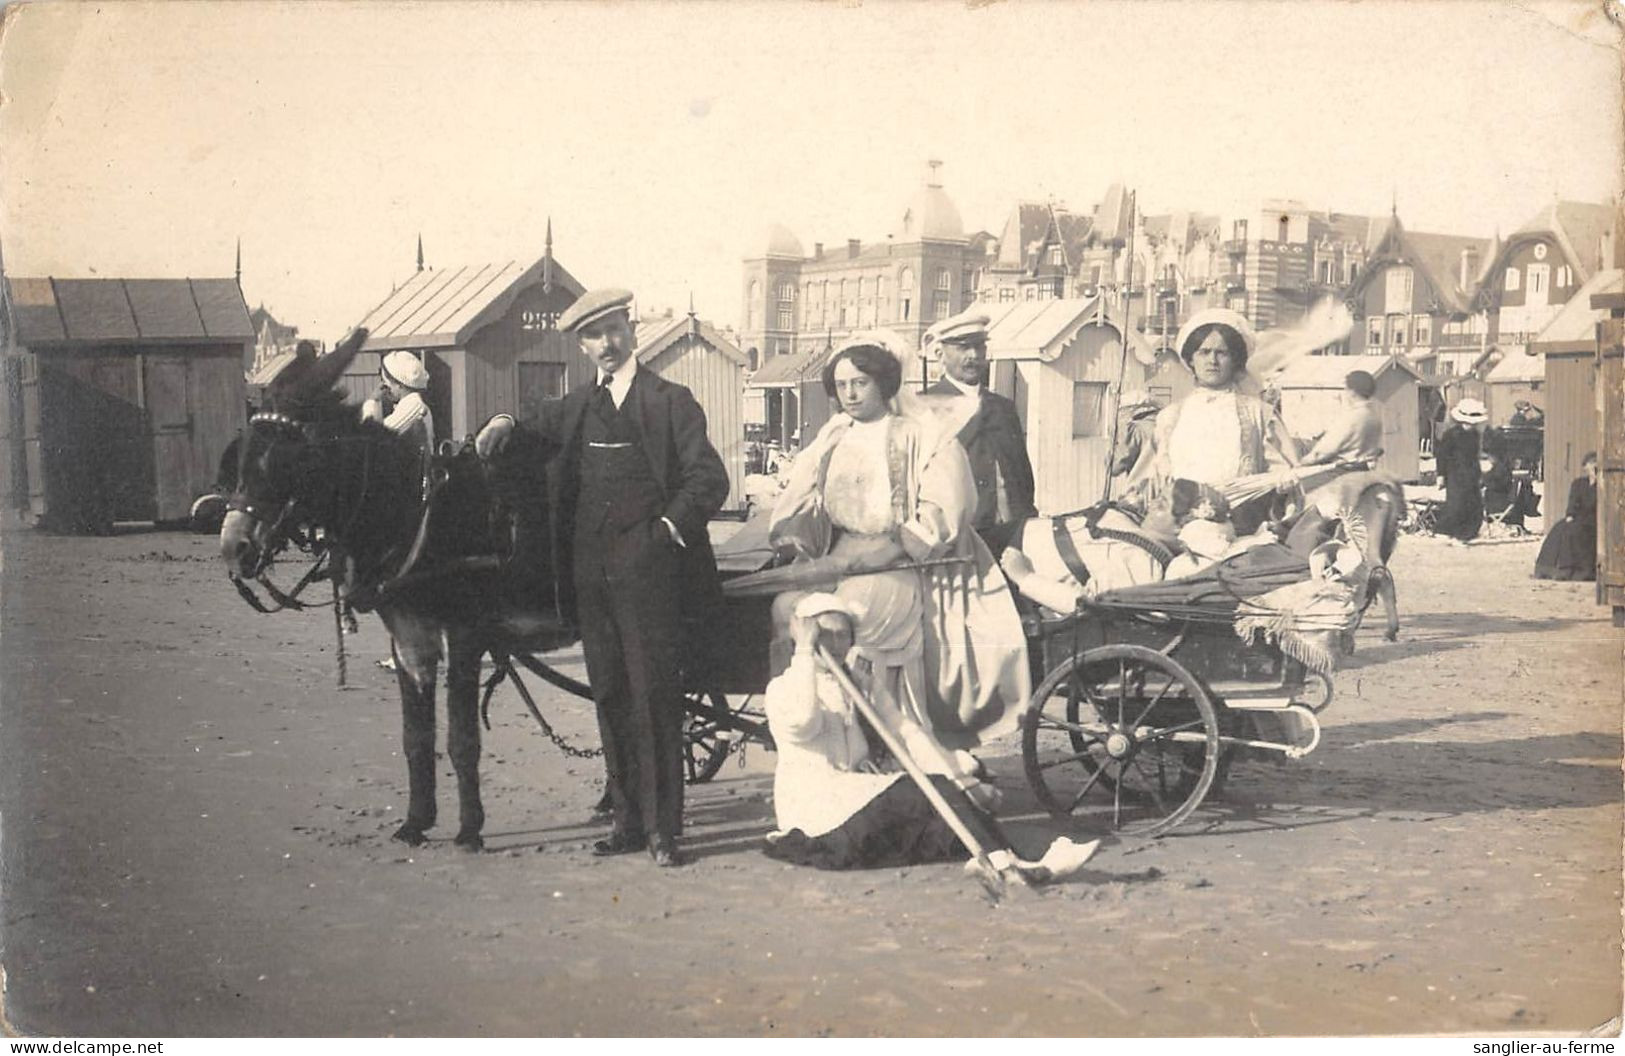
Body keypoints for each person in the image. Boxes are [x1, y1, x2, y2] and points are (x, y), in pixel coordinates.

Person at [474, 288, 729, 867]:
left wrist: (664, 533)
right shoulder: (574, 408)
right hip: (590, 576)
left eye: (613, 330)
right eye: (593, 336)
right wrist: (502, 418)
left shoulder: (670, 401)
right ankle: (627, 822)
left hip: (652, 575)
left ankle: (665, 829)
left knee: (653, 695)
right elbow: (526, 423)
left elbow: (708, 480)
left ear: (631, 329)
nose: (606, 345)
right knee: (610, 693)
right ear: (583, 345)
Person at [768, 332, 1029, 756]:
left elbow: (947, 506)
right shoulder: (833, 437)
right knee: (784, 607)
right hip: (840, 556)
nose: (850, 394)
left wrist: (890, 550)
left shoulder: (918, 434)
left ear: (883, 383)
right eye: (842, 385)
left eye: (861, 383)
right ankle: (813, 740)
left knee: (845, 615)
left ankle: (872, 742)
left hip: (897, 564)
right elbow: (799, 496)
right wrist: (798, 537)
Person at [1143, 308, 1298, 535]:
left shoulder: (1260, 414)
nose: (1212, 361)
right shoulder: (1170, 417)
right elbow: (1152, 478)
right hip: (1176, 531)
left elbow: (1286, 473)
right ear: (1191, 360)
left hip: (1242, 531)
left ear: (1235, 360)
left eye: (1221, 353)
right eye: (1204, 352)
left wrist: (1284, 485)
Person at [923, 310, 1037, 557]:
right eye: (963, 348)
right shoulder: (926, 407)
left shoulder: (1003, 407)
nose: (973, 356)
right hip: (960, 541)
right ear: (941, 354)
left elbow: (1022, 475)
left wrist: (1027, 520)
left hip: (1014, 535)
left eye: (978, 347)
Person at [1300, 370, 1384, 469]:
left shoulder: (1351, 417)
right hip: (1364, 469)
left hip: (1341, 471)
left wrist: (1303, 462)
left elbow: (1326, 450)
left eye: (1346, 389)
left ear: (1352, 392)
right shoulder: (1374, 417)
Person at [1534, 452, 1599, 581]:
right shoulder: (1578, 484)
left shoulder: (1602, 486)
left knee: (1574, 532)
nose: (1592, 467)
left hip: (1593, 519)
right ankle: (1548, 567)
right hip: (1578, 517)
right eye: (1590, 464)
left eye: (1595, 464)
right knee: (1559, 528)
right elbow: (1572, 502)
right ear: (1585, 467)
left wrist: (1598, 481)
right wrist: (1570, 515)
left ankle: (1572, 569)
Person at [1432, 398, 1488, 544]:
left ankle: (1466, 534)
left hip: (1471, 473)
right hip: (1455, 474)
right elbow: (1442, 456)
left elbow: (1474, 456)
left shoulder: (1475, 435)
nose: (1470, 424)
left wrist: (1479, 474)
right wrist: (1441, 475)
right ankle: (1448, 532)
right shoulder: (1451, 434)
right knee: (1457, 504)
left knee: (1474, 505)